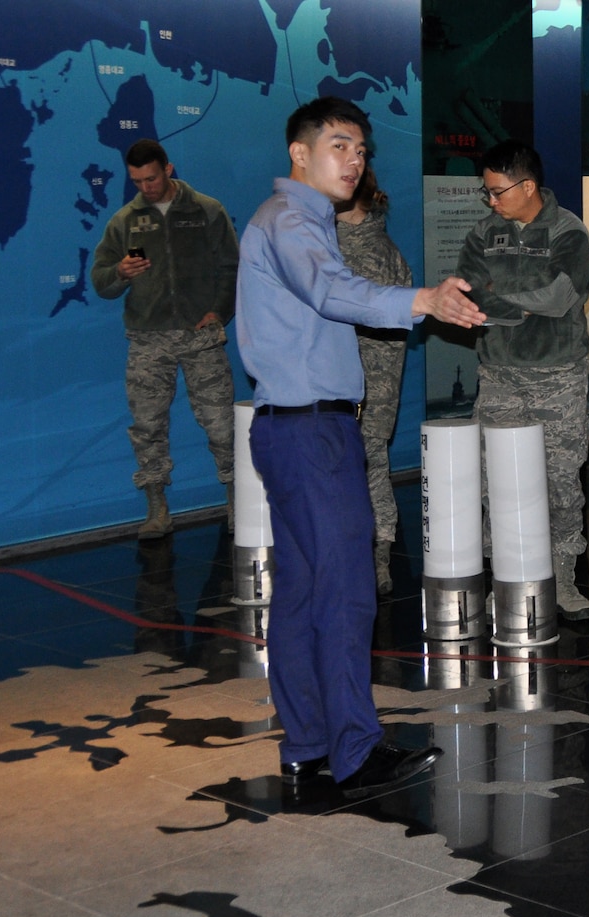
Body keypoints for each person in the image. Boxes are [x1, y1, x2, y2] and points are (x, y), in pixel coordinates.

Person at [237, 96, 484, 796]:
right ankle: (353, 751)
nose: (355, 160)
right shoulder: (291, 221)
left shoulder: (292, 221)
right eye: (340, 146)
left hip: (293, 427)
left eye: (362, 150)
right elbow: (333, 290)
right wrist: (422, 300)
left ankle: (307, 742)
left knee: (303, 591)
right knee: (345, 593)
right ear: (300, 154)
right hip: (313, 432)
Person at [456, 140, 589, 621]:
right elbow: (469, 294)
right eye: (487, 193)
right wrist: (509, 303)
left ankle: (564, 578)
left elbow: (561, 298)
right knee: (497, 483)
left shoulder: (568, 233)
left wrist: (501, 299)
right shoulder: (482, 233)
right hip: (497, 375)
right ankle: (509, 577)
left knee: (559, 481)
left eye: (497, 191)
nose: (490, 201)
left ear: (528, 186)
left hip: (557, 376)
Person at [89, 138, 239, 539]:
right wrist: (120, 272)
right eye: (137, 181)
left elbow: (232, 268)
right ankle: (157, 508)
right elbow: (100, 281)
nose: (145, 188)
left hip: (200, 336)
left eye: (151, 178)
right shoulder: (123, 221)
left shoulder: (207, 211)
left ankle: (237, 500)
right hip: (147, 339)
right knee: (148, 426)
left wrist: (219, 311)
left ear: (168, 170)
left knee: (222, 424)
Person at [333, 163, 414, 596]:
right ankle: (372, 556)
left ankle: (379, 557)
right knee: (366, 463)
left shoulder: (374, 251)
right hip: (339, 379)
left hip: (369, 378)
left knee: (367, 461)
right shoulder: (324, 243)